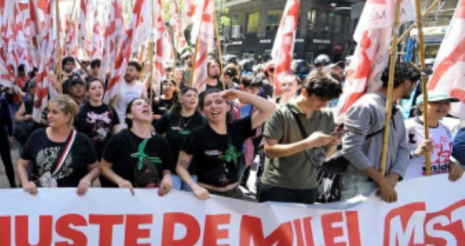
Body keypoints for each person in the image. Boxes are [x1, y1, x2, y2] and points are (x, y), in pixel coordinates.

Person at [259, 71, 343, 204]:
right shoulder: (280, 113)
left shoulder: (326, 116)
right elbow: (269, 151)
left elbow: (326, 155)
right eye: (322, 99)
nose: (325, 104)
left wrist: (334, 142)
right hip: (277, 186)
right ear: (304, 92)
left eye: (329, 100)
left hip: (308, 187)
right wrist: (308, 143)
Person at [340, 62, 420, 203]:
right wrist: (382, 181)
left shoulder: (397, 111)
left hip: (388, 184)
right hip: (361, 184)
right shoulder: (366, 106)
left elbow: (402, 148)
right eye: (415, 83)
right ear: (407, 83)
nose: (414, 88)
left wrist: (394, 176)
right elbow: (351, 149)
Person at [178, 89, 276, 200]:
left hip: (233, 195)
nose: (214, 106)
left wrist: (238, 93)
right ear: (203, 111)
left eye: (219, 102)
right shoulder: (195, 135)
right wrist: (193, 185)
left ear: (228, 107)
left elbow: (270, 108)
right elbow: (181, 167)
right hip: (206, 195)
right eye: (208, 104)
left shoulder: (238, 128)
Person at [19, 95, 100, 194]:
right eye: (48, 111)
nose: (49, 116)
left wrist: (88, 178)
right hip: (41, 198)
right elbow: (21, 164)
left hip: (72, 199)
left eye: (55, 112)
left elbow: (95, 168)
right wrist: (25, 183)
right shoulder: (37, 135)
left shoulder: (82, 140)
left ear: (68, 116)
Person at [102, 98, 174, 195]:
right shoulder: (119, 139)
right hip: (124, 199)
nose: (146, 105)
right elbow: (104, 167)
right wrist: (119, 180)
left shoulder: (161, 142)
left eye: (147, 104)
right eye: (139, 104)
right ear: (130, 115)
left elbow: (166, 168)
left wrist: (167, 177)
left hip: (152, 200)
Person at [403, 92, 463, 182]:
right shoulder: (407, 127)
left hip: (437, 187)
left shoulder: (445, 129)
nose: (442, 106)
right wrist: (416, 154)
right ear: (421, 106)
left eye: (446, 103)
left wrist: (452, 163)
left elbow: (443, 154)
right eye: (436, 102)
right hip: (412, 186)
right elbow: (390, 158)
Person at [155, 87, 205, 192]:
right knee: (171, 205)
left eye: (195, 96)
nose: (193, 98)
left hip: (192, 172)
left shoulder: (203, 120)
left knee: (189, 206)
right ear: (180, 99)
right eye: (189, 95)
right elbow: (154, 134)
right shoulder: (170, 116)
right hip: (171, 171)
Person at [76, 78, 121, 183]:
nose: (97, 90)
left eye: (100, 87)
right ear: (87, 92)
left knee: (108, 187)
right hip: (86, 155)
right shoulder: (80, 111)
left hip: (107, 155)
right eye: (93, 88)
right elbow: (74, 133)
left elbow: (117, 134)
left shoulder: (111, 110)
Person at [0, 79, 17, 188]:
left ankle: (13, 184)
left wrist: (11, 135)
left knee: (8, 161)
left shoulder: (3, 101)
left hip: (2, 136)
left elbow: (8, 120)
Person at [112, 60, 147, 127]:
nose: (128, 72)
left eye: (131, 70)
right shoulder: (117, 85)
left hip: (136, 124)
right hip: (120, 124)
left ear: (137, 73)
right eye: (126, 70)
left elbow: (145, 104)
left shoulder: (141, 86)